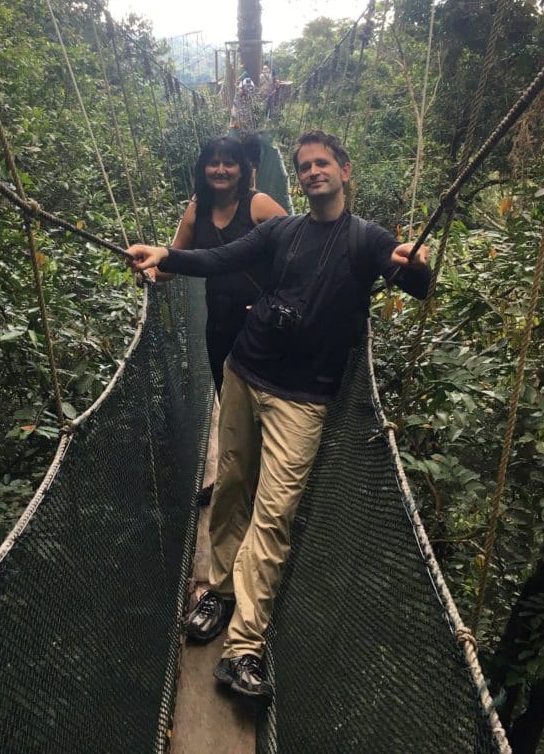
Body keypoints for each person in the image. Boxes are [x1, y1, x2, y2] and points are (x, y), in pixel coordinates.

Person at [126, 131, 431, 704]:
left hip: (304, 398)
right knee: (231, 486)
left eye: (322, 164)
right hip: (244, 372)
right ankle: (218, 592)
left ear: (344, 170)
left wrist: (417, 266)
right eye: (304, 165)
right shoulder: (282, 230)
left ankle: (243, 649)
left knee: (273, 516)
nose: (313, 172)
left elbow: (415, 283)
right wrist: (166, 255)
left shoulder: (367, 239)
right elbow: (220, 257)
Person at [157, 136, 287, 400]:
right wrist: (149, 270)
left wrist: (278, 299)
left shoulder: (259, 204)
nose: (220, 170)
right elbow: (172, 264)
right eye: (213, 163)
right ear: (203, 169)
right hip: (219, 324)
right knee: (226, 396)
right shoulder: (196, 210)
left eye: (229, 163)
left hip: (262, 321)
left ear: (242, 170)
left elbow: (298, 250)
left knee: (266, 399)